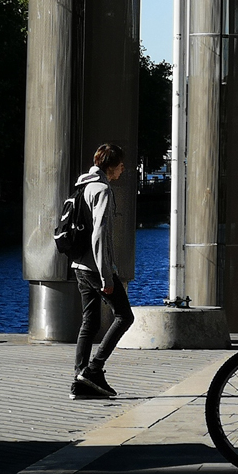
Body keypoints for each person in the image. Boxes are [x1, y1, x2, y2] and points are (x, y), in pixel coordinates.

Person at [70, 143, 135, 400]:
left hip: (79, 265)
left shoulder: (83, 186)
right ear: (110, 166)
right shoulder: (103, 190)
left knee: (90, 321)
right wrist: (107, 275)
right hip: (96, 268)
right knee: (124, 316)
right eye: (120, 165)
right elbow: (98, 235)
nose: (123, 169)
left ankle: (79, 379)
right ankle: (94, 370)